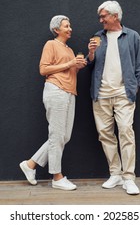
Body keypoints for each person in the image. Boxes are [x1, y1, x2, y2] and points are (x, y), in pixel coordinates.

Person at [20, 15, 86, 190]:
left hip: (70, 92)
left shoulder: (70, 50)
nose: (70, 28)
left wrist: (76, 66)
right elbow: (44, 69)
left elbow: (69, 71)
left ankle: (30, 164)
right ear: (57, 30)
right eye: (66, 26)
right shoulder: (51, 45)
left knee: (64, 136)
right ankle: (57, 177)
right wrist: (69, 63)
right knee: (57, 136)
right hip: (56, 91)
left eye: (70, 25)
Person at [87, 1, 140, 195]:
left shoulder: (132, 36)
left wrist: (137, 86)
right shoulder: (98, 37)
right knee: (105, 134)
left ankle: (129, 177)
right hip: (101, 94)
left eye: (104, 16)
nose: (101, 19)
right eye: (100, 16)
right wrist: (91, 52)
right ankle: (115, 174)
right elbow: (90, 65)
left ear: (115, 16)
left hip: (123, 94)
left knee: (125, 132)